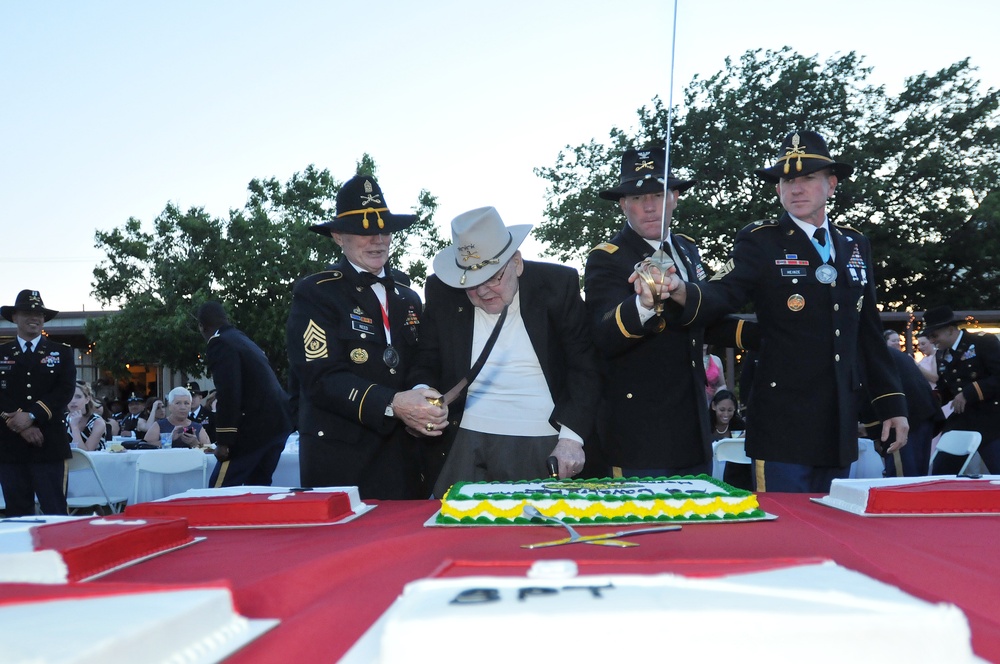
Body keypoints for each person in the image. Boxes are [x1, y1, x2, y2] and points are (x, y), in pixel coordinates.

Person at [664, 130, 908, 493]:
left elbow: (867, 330)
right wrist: (681, 291)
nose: (796, 188)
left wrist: (892, 404)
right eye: (787, 180)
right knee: (786, 532)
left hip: (838, 422)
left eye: (807, 178)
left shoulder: (855, 243)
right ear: (778, 189)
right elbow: (726, 289)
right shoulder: (761, 239)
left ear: (831, 184)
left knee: (833, 527)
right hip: (782, 423)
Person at [584, 146, 750, 478]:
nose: (648, 206)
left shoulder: (687, 249)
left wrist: (771, 333)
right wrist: (644, 304)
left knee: (696, 527)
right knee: (639, 527)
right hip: (639, 435)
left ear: (674, 197)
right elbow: (603, 335)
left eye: (658, 195)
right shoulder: (607, 258)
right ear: (622, 205)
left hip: (693, 426)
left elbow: (704, 320)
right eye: (636, 197)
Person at [412, 207, 600, 497]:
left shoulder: (557, 285)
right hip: (463, 435)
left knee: (539, 531)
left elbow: (584, 367)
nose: (483, 291)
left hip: (544, 437)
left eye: (493, 278)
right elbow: (427, 357)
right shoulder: (442, 290)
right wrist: (420, 395)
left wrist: (572, 439)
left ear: (517, 263)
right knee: (454, 533)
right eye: (471, 284)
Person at [286, 175, 447, 499]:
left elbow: (422, 360)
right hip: (342, 464)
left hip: (405, 461)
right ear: (338, 236)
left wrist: (419, 393)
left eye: (384, 230)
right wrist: (391, 403)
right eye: (363, 231)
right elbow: (320, 378)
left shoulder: (408, 296)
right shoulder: (316, 293)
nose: (377, 239)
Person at [197, 301, 292, 487]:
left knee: (219, 489)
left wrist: (224, 441)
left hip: (254, 425)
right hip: (279, 422)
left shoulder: (219, 343)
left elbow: (229, 393)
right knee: (257, 487)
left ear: (202, 326)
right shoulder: (241, 338)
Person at [0, 290, 76, 516]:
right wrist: (19, 423)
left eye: (38, 313)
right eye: (26, 313)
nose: (34, 317)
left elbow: (65, 391)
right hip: (10, 445)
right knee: (17, 512)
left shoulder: (61, 352)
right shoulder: (1, 352)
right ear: (14, 317)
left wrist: (32, 416)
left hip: (49, 444)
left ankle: (59, 552)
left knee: (55, 510)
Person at [922, 305, 1000, 473]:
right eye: (929, 337)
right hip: (962, 420)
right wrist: (931, 399)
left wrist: (969, 392)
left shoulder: (983, 342)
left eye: (934, 335)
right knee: (941, 474)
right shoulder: (942, 354)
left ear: (950, 330)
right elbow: (946, 387)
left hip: (992, 419)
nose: (932, 341)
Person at [144, 387, 212, 448]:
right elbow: (144, 446)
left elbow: (209, 451)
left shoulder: (198, 427)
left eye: (186, 403)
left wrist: (195, 444)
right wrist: (169, 440)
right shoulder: (158, 425)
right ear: (170, 406)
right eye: (178, 403)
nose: (182, 407)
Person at [709, 389, 751, 490]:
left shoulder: (739, 425)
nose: (726, 414)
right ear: (714, 406)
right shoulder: (705, 424)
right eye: (722, 410)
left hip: (734, 474)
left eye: (730, 410)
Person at [65, 381, 106, 451]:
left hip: (91, 461)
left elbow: (85, 453)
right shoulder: (61, 419)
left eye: (78, 397)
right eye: (69, 396)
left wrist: (74, 427)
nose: (73, 401)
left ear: (87, 399)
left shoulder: (97, 422)